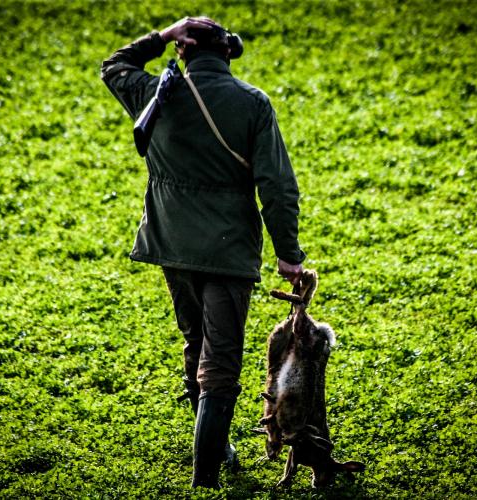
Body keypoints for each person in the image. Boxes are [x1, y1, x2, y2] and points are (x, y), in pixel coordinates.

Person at [101, 17, 306, 488]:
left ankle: (216, 454)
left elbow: (114, 65)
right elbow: (275, 185)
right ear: (228, 53)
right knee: (222, 364)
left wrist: (160, 36)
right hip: (228, 252)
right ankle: (206, 477)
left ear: (183, 51)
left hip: (172, 247)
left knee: (197, 346)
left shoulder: (156, 95)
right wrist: (288, 253)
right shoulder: (252, 104)